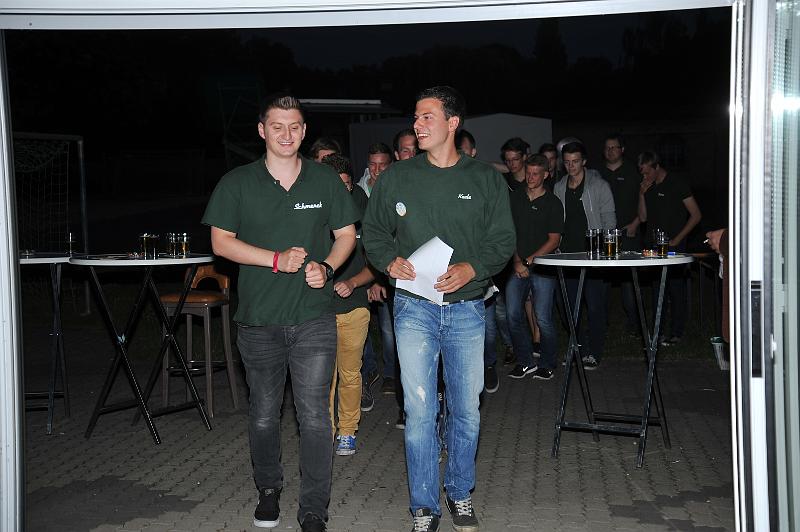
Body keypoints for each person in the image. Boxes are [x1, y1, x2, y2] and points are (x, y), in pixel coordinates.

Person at [363, 85, 516, 532]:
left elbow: (502, 240)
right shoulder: (397, 178)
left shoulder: (485, 179)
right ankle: (424, 506)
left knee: (466, 410)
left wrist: (474, 268)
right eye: (415, 117)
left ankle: (460, 491)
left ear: (453, 123)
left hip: (467, 309)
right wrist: (387, 260)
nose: (417, 125)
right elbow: (374, 231)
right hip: (413, 308)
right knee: (420, 412)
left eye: (427, 117)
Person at [202, 93, 357, 532]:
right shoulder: (237, 182)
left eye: (294, 127)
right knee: (264, 415)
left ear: (304, 131)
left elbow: (347, 234)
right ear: (262, 131)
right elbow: (220, 242)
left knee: (315, 417)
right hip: (258, 320)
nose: (286, 134)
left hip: (313, 317)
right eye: (277, 126)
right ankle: (268, 489)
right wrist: (275, 260)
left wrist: (327, 267)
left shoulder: (324, 180)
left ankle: (314, 508)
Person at [320, 153, 374, 457]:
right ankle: (324, 431)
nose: (342, 191)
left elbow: (376, 263)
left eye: (346, 185)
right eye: (335, 185)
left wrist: (353, 282)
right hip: (319, 310)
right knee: (323, 377)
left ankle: (347, 430)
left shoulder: (362, 210)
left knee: (350, 373)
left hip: (354, 306)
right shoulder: (314, 213)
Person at [456, 128, 511, 393]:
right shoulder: (447, 182)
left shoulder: (486, 181)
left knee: (487, 326)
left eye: (465, 152)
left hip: (481, 272)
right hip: (451, 276)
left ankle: (489, 365)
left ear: (474, 152)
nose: (460, 157)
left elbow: (499, 235)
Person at [553, 141, 616, 370]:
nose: (571, 166)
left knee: (595, 306)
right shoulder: (559, 187)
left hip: (593, 256)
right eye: (567, 162)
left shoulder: (599, 186)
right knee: (568, 308)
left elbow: (609, 220)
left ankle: (594, 352)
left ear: (584, 161)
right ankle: (578, 348)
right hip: (567, 255)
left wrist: (606, 251)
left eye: (575, 161)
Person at [506, 154, 564, 380]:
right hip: (518, 265)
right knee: (512, 314)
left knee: (543, 318)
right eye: (528, 173)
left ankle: (548, 363)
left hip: (543, 268)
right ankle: (525, 361)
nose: (530, 178)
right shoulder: (516, 197)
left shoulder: (553, 203)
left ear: (546, 175)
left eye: (535, 174)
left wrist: (528, 261)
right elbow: (510, 232)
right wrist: (517, 261)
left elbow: (554, 240)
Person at [638, 151, 702, 346]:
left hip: (674, 245)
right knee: (657, 290)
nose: (645, 176)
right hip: (654, 246)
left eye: (647, 172)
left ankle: (676, 333)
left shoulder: (677, 183)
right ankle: (658, 333)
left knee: (675, 288)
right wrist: (641, 194)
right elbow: (643, 218)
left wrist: (678, 239)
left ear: (657, 167)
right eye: (642, 173)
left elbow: (696, 215)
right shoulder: (647, 187)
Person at [598, 133, 642, 335]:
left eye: (614, 147)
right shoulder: (597, 173)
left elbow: (645, 199)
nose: (610, 151)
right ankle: (601, 322)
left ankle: (634, 323)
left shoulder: (633, 171)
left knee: (629, 281)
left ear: (622, 150)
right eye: (607, 147)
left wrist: (636, 223)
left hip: (628, 231)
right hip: (604, 234)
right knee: (601, 280)